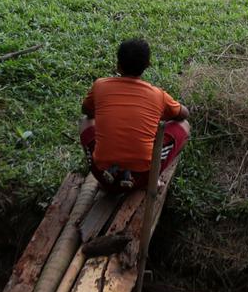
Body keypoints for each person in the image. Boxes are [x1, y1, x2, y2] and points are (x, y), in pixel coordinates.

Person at [80, 39, 191, 193]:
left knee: (85, 122)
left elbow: (86, 111)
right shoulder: (158, 95)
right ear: (148, 65)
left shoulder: (100, 86)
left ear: (118, 65)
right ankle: (153, 178)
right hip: (141, 177)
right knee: (184, 126)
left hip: (103, 175)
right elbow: (184, 114)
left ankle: (108, 182)